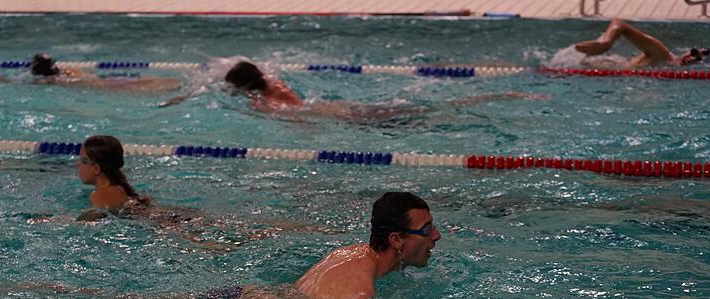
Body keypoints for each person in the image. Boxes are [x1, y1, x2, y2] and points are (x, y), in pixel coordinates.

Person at [221, 61, 547, 124]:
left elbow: (298, 119)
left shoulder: (269, 100)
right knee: (431, 111)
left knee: (436, 113)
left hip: (350, 118)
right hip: (348, 109)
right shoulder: (275, 83)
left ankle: (499, 100)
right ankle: (499, 99)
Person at [294, 192, 441, 299]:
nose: (436, 235)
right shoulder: (359, 296)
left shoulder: (355, 253)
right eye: (426, 229)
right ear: (396, 240)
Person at [0, 53, 182, 93]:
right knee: (156, 82)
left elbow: (8, 81)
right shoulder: (65, 71)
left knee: (144, 88)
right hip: (105, 80)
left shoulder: (51, 81)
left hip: (102, 86)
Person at [574, 19, 708, 67]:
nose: (691, 58)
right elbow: (620, 24)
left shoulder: (665, 68)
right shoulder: (662, 55)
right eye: (693, 52)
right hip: (585, 61)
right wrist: (606, 43)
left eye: (696, 59)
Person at [77, 135, 148, 211]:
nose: (78, 165)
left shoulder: (100, 195)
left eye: (84, 161)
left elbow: (87, 220)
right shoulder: (120, 188)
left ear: (96, 168)